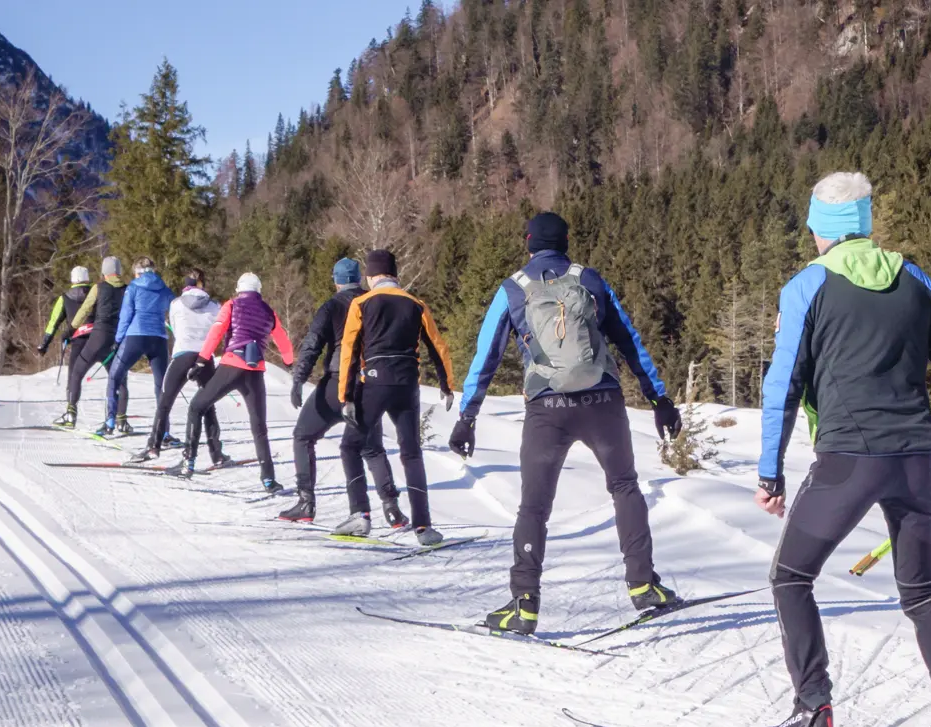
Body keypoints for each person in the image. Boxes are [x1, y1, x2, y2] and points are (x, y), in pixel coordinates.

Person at [752, 172, 931, 727]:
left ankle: (815, 713)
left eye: (811, 227)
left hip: (846, 464)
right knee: (921, 592)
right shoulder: (915, 279)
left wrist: (770, 472)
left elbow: (783, 385)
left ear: (824, 230)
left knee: (790, 577)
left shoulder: (807, 287)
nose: (809, 236)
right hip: (913, 461)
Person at [450, 212, 683, 635]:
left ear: (528, 242)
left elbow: (487, 355)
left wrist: (468, 416)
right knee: (625, 487)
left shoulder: (513, 289)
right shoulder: (591, 280)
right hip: (603, 402)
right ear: (566, 242)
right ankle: (643, 586)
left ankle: (524, 606)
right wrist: (659, 398)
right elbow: (629, 340)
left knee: (534, 507)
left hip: (546, 408)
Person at [280, 258, 403, 527]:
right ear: (360, 279)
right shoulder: (375, 302)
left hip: (337, 382)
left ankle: (306, 502)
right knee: (372, 449)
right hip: (369, 383)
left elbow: (312, 344)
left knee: (303, 436)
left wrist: (298, 380)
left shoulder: (331, 306)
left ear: (336, 281)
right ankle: (391, 508)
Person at [338, 249, 450, 544]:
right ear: (395, 275)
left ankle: (359, 515)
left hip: (374, 382)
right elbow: (438, 346)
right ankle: (424, 527)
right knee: (411, 453)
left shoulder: (361, 302)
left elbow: (349, 351)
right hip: (407, 384)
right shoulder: (417, 304)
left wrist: (346, 396)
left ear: (371, 276)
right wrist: (446, 385)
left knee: (351, 446)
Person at [167, 272, 293, 491]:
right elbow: (283, 340)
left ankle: (188, 462)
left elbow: (216, 333)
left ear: (239, 288)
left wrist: (201, 361)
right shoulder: (268, 311)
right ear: (259, 290)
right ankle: (269, 479)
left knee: (197, 407)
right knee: (259, 426)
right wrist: (289, 362)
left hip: (232, 366)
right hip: (255, 372)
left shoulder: (232, 305)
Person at [130, 269, 227, 464]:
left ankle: (153, 447)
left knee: (165, 402)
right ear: (202, 284)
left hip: (183, 355)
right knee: (207, 405)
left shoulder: (176, 304)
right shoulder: (215, 305)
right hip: (205, 358)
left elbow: (175, 327)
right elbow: (217, 331)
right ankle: (216, 454)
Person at [98, 257, 175, 436]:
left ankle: (110, 421)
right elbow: (174, 308)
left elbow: (126, 315)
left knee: (114, 376)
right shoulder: (163, 288)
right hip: (158, 338)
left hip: (136, 336)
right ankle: (164, 432)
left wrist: (118, 341)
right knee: (160, 385)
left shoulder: (133, 287)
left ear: (137, 272)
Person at [60, 256, 129, 429]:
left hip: (97, 338)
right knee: (120, 380)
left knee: (77, 373)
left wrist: (70, 330)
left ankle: (71, 413)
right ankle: (121, 420)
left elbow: (85, 310)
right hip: (116, 341)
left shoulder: (98, 288)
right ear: (119, 271)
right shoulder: (128, 290)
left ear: (104, 271)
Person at [39, 267, 94, 395]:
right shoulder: (96, 293)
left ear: (73, 280)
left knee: (73, 373)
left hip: (78, 340)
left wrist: (44, 344)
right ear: (87, 278)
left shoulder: (65, 298)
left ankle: (71, 399)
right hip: (96, 338)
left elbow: (53, 322)